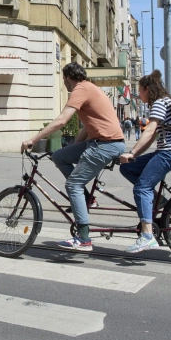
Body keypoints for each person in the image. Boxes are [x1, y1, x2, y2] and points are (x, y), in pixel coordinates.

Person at [22, 62, 125, 252]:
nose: (64, 84)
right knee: (60, 156)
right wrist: (73, 148)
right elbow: (87, 127)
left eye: (63, 80)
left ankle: (84, 238)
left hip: (105, 144)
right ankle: (87, 199)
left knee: (73, 185)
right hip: (101, 141)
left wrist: (34, 139)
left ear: (69, 78)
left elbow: (62, 120)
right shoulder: (90, 88)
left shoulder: (80, 88)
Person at [119, 70, 171, 253]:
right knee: (127, 168)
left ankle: (147, 236)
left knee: (142, 187)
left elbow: (149, 131)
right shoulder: (165, 102)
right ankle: (159, 200)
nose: (138, 95)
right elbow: (151, 137)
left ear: (147, 89)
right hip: (169, 152)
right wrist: (132, 156)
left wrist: (132, 151)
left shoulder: (159, 104)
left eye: (139, 91)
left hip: (169, 153)